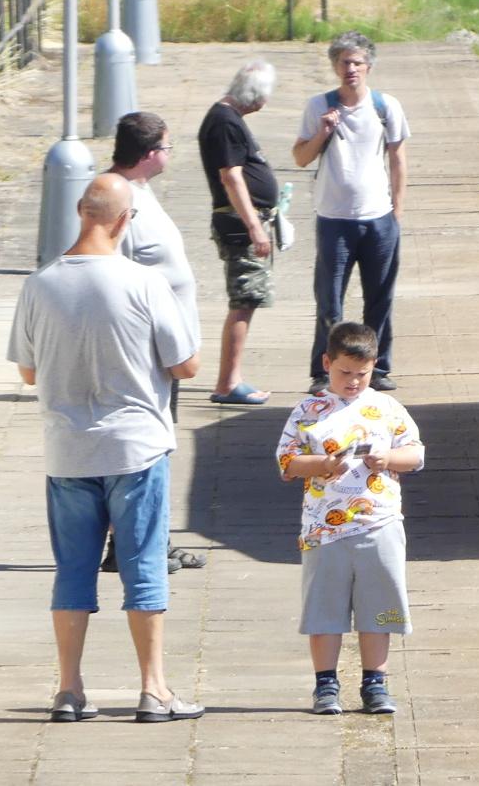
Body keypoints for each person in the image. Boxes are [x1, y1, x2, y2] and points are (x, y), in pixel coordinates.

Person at [8, 173, 203, 724]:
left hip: (67, 450)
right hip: (135, 448)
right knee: (144, 566)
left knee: (73, 569)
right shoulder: (143, 284)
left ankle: (69, 689)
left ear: (80, 212)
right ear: (124, 220)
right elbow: (186, 365)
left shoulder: (39, 285)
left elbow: (27, 371)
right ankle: (154, 690)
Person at [275, 320, 425, 717]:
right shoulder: (309, 410)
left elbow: (415, 454)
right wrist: (321, 464)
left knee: (381, 606)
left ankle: (375, 682)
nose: (354, 381)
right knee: (325, 607)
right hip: (324, 528)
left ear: (374, 367)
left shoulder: (387, 408)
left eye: (363, 374)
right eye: (345, 373)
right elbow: (287, 462)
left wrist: (389, 459)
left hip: (380, 523)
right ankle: (325, 683)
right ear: (327, 363)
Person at [108, 112, 206, 576]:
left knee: (157, 449)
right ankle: (138, 545)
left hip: (165, 351)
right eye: (167, 147)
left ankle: (149, 540)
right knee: (144, 452)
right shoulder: (115, 197)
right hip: (144, 353)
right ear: (149, 154)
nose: (170, 155)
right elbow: (110, 278)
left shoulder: (140, 194)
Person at [293, 33, 409, 393]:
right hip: (334, 219)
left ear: (369, 67)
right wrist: (323, 131)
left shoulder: (385, 106)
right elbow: (300, 157)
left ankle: (377, 367)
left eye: (357, 62)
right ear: (334, 66)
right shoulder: (319, 106)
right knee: (329, 300)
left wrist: (396, 213)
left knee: (380, 299)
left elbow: (398, 158)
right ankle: (323, 370)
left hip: (378, 218)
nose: (351, 69)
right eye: (344, 62)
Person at [198, 60, 279, 405]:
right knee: (244, 300)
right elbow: (231, 177)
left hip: (243, 220)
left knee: (247, 300)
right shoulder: (225, 122)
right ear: (253, 95)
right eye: (264, 96)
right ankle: (228, 382)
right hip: (239, 225)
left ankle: (231, 379)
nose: (266, 103)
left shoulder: (227, 119)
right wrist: (254, 226)